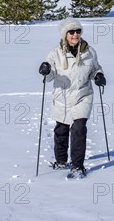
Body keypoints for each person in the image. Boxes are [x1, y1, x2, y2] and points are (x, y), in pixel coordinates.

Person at [39, 17, 106, 178]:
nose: (75, 34)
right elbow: (49, 77)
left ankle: (77, 166)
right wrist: (46, 69)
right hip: (62, 96)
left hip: (83, 95)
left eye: (78, 31)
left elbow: (95, 69)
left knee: (78, 129)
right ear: (65, 35)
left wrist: (99, 75)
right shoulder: (55, 53)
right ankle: (61, 161)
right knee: (61, 130)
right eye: (71, 32)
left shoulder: (89, 52)